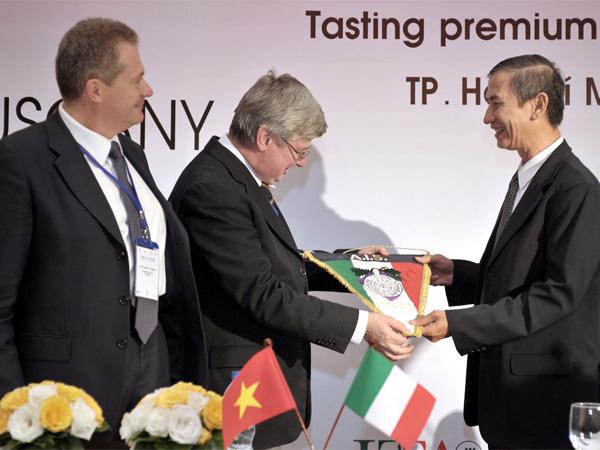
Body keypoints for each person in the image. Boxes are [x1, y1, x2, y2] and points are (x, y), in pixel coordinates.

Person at [169, 71, 413, 449]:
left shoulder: (235, 180)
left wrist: (348, 265)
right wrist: (363, 326)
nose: (300, 164)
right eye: (299, 151)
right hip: (233, 396)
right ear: (265, 137)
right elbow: (263, 292)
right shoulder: (213, 189)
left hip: (256, 389)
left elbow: (273, 262)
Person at [0, 18, 207, 445]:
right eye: (136, 80)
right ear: (95, 90)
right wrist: (16, 414)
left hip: (153, 366)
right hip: (69, 390)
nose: (148, 90)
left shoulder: (130, 153)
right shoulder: (22, 159)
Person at [412, 54, 600, 449]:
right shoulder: (530, 179)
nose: (487, 117)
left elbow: (557, 295)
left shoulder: (576, 189)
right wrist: (457, 274)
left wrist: (458, 324)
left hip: (545, 406)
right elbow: (520, 277)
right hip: (512, 405)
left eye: (496, 103)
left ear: (537, 105)